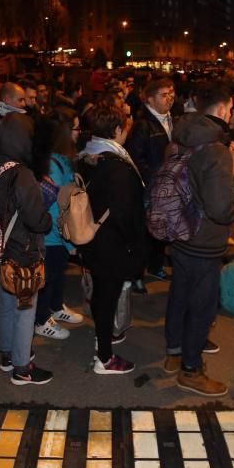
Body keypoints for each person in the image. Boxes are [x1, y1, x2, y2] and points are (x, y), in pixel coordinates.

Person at [162, 85, 234, 397]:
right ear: (224, 108)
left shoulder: (180, 136)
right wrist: (233, 172)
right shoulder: (217, 151)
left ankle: (174, 350)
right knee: (202, 305)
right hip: (204, 239)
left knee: (179, 293)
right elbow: (220, 209)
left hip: (177, 231)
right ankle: (191, 369)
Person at [76, 105, 147, 374]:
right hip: (112, 244)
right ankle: (104, 358)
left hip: (91, 237)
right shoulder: (117, 166)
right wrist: (135, 246)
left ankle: (101, 338)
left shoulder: (86, 156)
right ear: (117, 130)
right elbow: (126, 212)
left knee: (100, 295)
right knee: (107, 298)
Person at [0, 113, 54, 384]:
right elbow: (37, 219)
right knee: (25, 309)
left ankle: (8, 354)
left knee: (5, 302)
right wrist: (48, 216)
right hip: (23, 251)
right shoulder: (22, 173)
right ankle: (22, 367)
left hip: (0, 248)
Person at [32, 107, 85, 340]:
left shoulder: (62, 159)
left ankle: (55, 307)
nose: (79, 132)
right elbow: (49, 206)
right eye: (75, 127)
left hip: (59, 233)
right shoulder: (52, 164)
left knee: (57, 274)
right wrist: (65, 239)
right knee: (48, 276)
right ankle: (41, 320)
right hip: (52, 234)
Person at [125, 78, 176, 286]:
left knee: (161, 230)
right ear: (150, 100)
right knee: (145, 233)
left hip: (169, 185)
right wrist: (154, 179)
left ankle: (156, 266)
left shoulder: (172, 120)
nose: (170, 98)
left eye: (171, 93)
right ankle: (137, 273)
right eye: (164, 95)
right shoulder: (143, 125)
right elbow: (136, 158)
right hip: (151, 187)